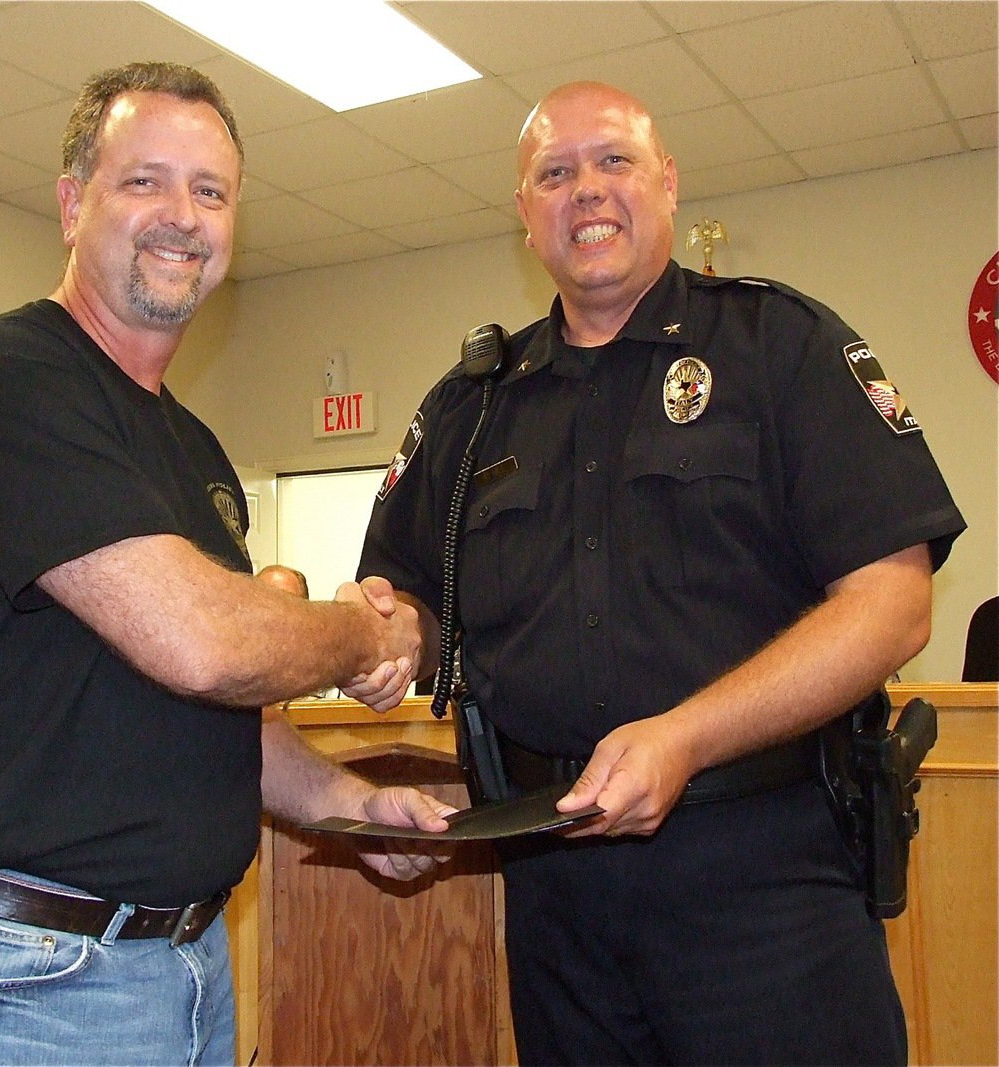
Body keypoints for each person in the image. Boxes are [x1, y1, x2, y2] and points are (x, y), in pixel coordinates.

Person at [0, 62, 452, 1067]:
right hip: (15, 978)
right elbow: (206, 643)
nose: (184, 215)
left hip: (175, 967)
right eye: (147, 181)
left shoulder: (192, 450)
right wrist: (368, 631)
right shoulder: (11, 385)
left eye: (210, 192)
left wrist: (350, 803)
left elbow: (215, 718)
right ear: (73, 204)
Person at [353, 81, 966, 1066]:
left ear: (668, 183)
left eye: (613, 162)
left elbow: (893, 603)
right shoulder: (472, 408)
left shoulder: (782, 348)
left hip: (765, 880)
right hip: (555, 896)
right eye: (553, 173)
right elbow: (412, 598)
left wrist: (685, 736)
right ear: (525, 214)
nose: (585, 190)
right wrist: (381, 634)